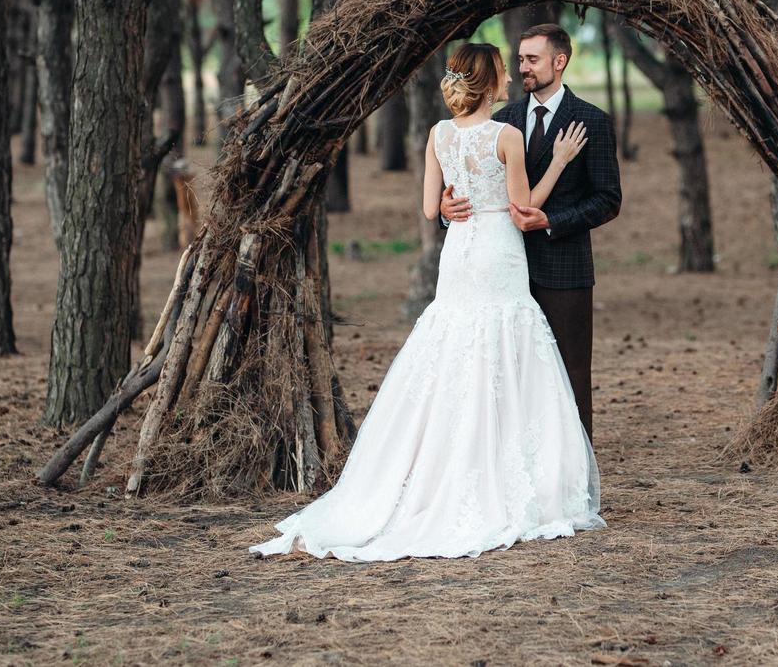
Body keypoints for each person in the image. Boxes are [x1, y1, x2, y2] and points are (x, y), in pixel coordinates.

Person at [248, 42, 605, 562]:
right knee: (502, 345)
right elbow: (522, 208)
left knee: (454, 346)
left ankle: (437, 464)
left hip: (459, 254)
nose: (510, 78)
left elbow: (426, 206)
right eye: (504, 70)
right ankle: (502, 471)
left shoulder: (438, 134)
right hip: (499, 254)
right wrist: (561, 161)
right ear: (489, 80)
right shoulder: (506, 136)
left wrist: (444, 205)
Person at [440, 24, 622, 444]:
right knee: (507, 372)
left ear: (559, 62)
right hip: (501, 267)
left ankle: (574, 475)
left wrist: (554, 221)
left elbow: (608, 199)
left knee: (570, 370)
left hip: (563, 267)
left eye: (532, 59)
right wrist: (447, 213)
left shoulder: (592, 120)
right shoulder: (499, 119)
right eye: (519, 59)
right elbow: (465, 193)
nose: (522, 67)